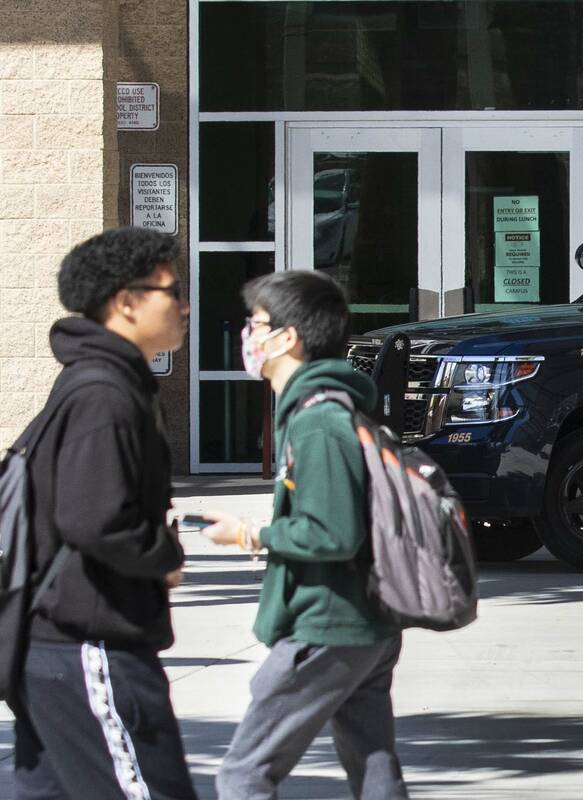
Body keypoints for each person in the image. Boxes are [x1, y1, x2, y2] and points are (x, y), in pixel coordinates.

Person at [201, 271, 407, 800]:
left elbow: (332, 532)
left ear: (287, 337)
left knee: (243, 774)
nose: (247, 335)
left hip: (327, 623)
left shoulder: (318, 422)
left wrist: (250, 533)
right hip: (359, 623)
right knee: (375, 776)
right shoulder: (329, 409)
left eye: (256, 324)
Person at [9, 227, 196, 799]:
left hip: (60, 646)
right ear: (126, 302)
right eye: (173, 291)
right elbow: (94, 519)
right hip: (91, 644)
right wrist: (163, 556)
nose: (186, 305)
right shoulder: (104, 394)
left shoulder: (100, 382)